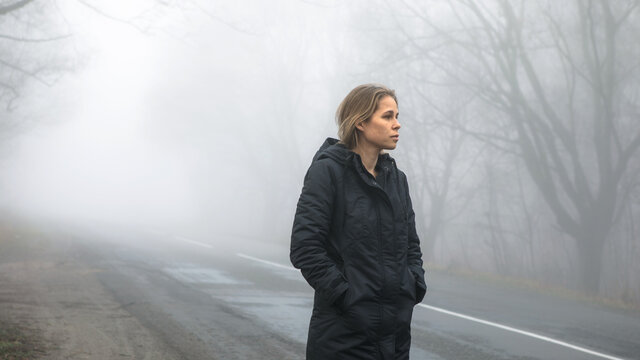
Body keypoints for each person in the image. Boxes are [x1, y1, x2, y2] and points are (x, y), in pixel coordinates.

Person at [290, 84, 427, 359]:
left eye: (397, 116)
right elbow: (305, 248)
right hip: (343, 337)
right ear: (361, 122)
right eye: (387, 116)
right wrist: (347, 298)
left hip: (395, 336)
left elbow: (411, 245)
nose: (397, 125)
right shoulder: (327, 172)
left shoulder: (397, 180)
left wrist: (413, 285)